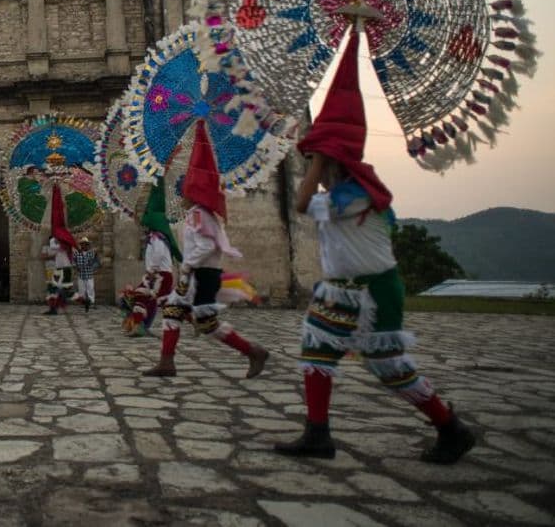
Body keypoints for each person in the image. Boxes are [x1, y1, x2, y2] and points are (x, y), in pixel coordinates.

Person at [274, 32, 475, 464]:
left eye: (320, 162)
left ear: (333, 162)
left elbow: (302, 202)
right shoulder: (349, 195)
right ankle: (317, 433)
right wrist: (321, 157)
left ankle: (450, 426)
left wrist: (318, 160)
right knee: (317, 351)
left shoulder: (358, 196)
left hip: (372, 292)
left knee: (389, 367)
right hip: (343, 290)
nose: (315, 169)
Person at [143, 121, 269, 379]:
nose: (181, 194)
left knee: (207, 323)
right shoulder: (198, 214)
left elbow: (207, 246)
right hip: (198, 275)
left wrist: (188, 266)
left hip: (202, 275)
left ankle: (252, 350)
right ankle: (167, 361)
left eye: (186, 190)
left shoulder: (199, 215)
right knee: (173, 310)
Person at [122, 180, 179, 336]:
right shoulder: (154, 237)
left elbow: (158, 254)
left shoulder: (157, 238)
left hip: (160, 276)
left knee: (148, 299)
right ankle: (140, 326)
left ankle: (138, 326)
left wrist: (152, 271)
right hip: (155, 275)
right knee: (148, 299)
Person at [71, 236, 100, 311]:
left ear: (88, 245)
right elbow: (73, 261)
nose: (84, 245)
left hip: (89, 274)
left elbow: (97, 261)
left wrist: (93, 266)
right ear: (81, 245)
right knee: (81, 290)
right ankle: (83, 303)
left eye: (85, 244)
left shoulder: (91, 253)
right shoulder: (77, 253)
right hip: (81, 275)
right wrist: (75, 266)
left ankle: (92, 303)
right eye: (82, 244)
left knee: (90, 289)